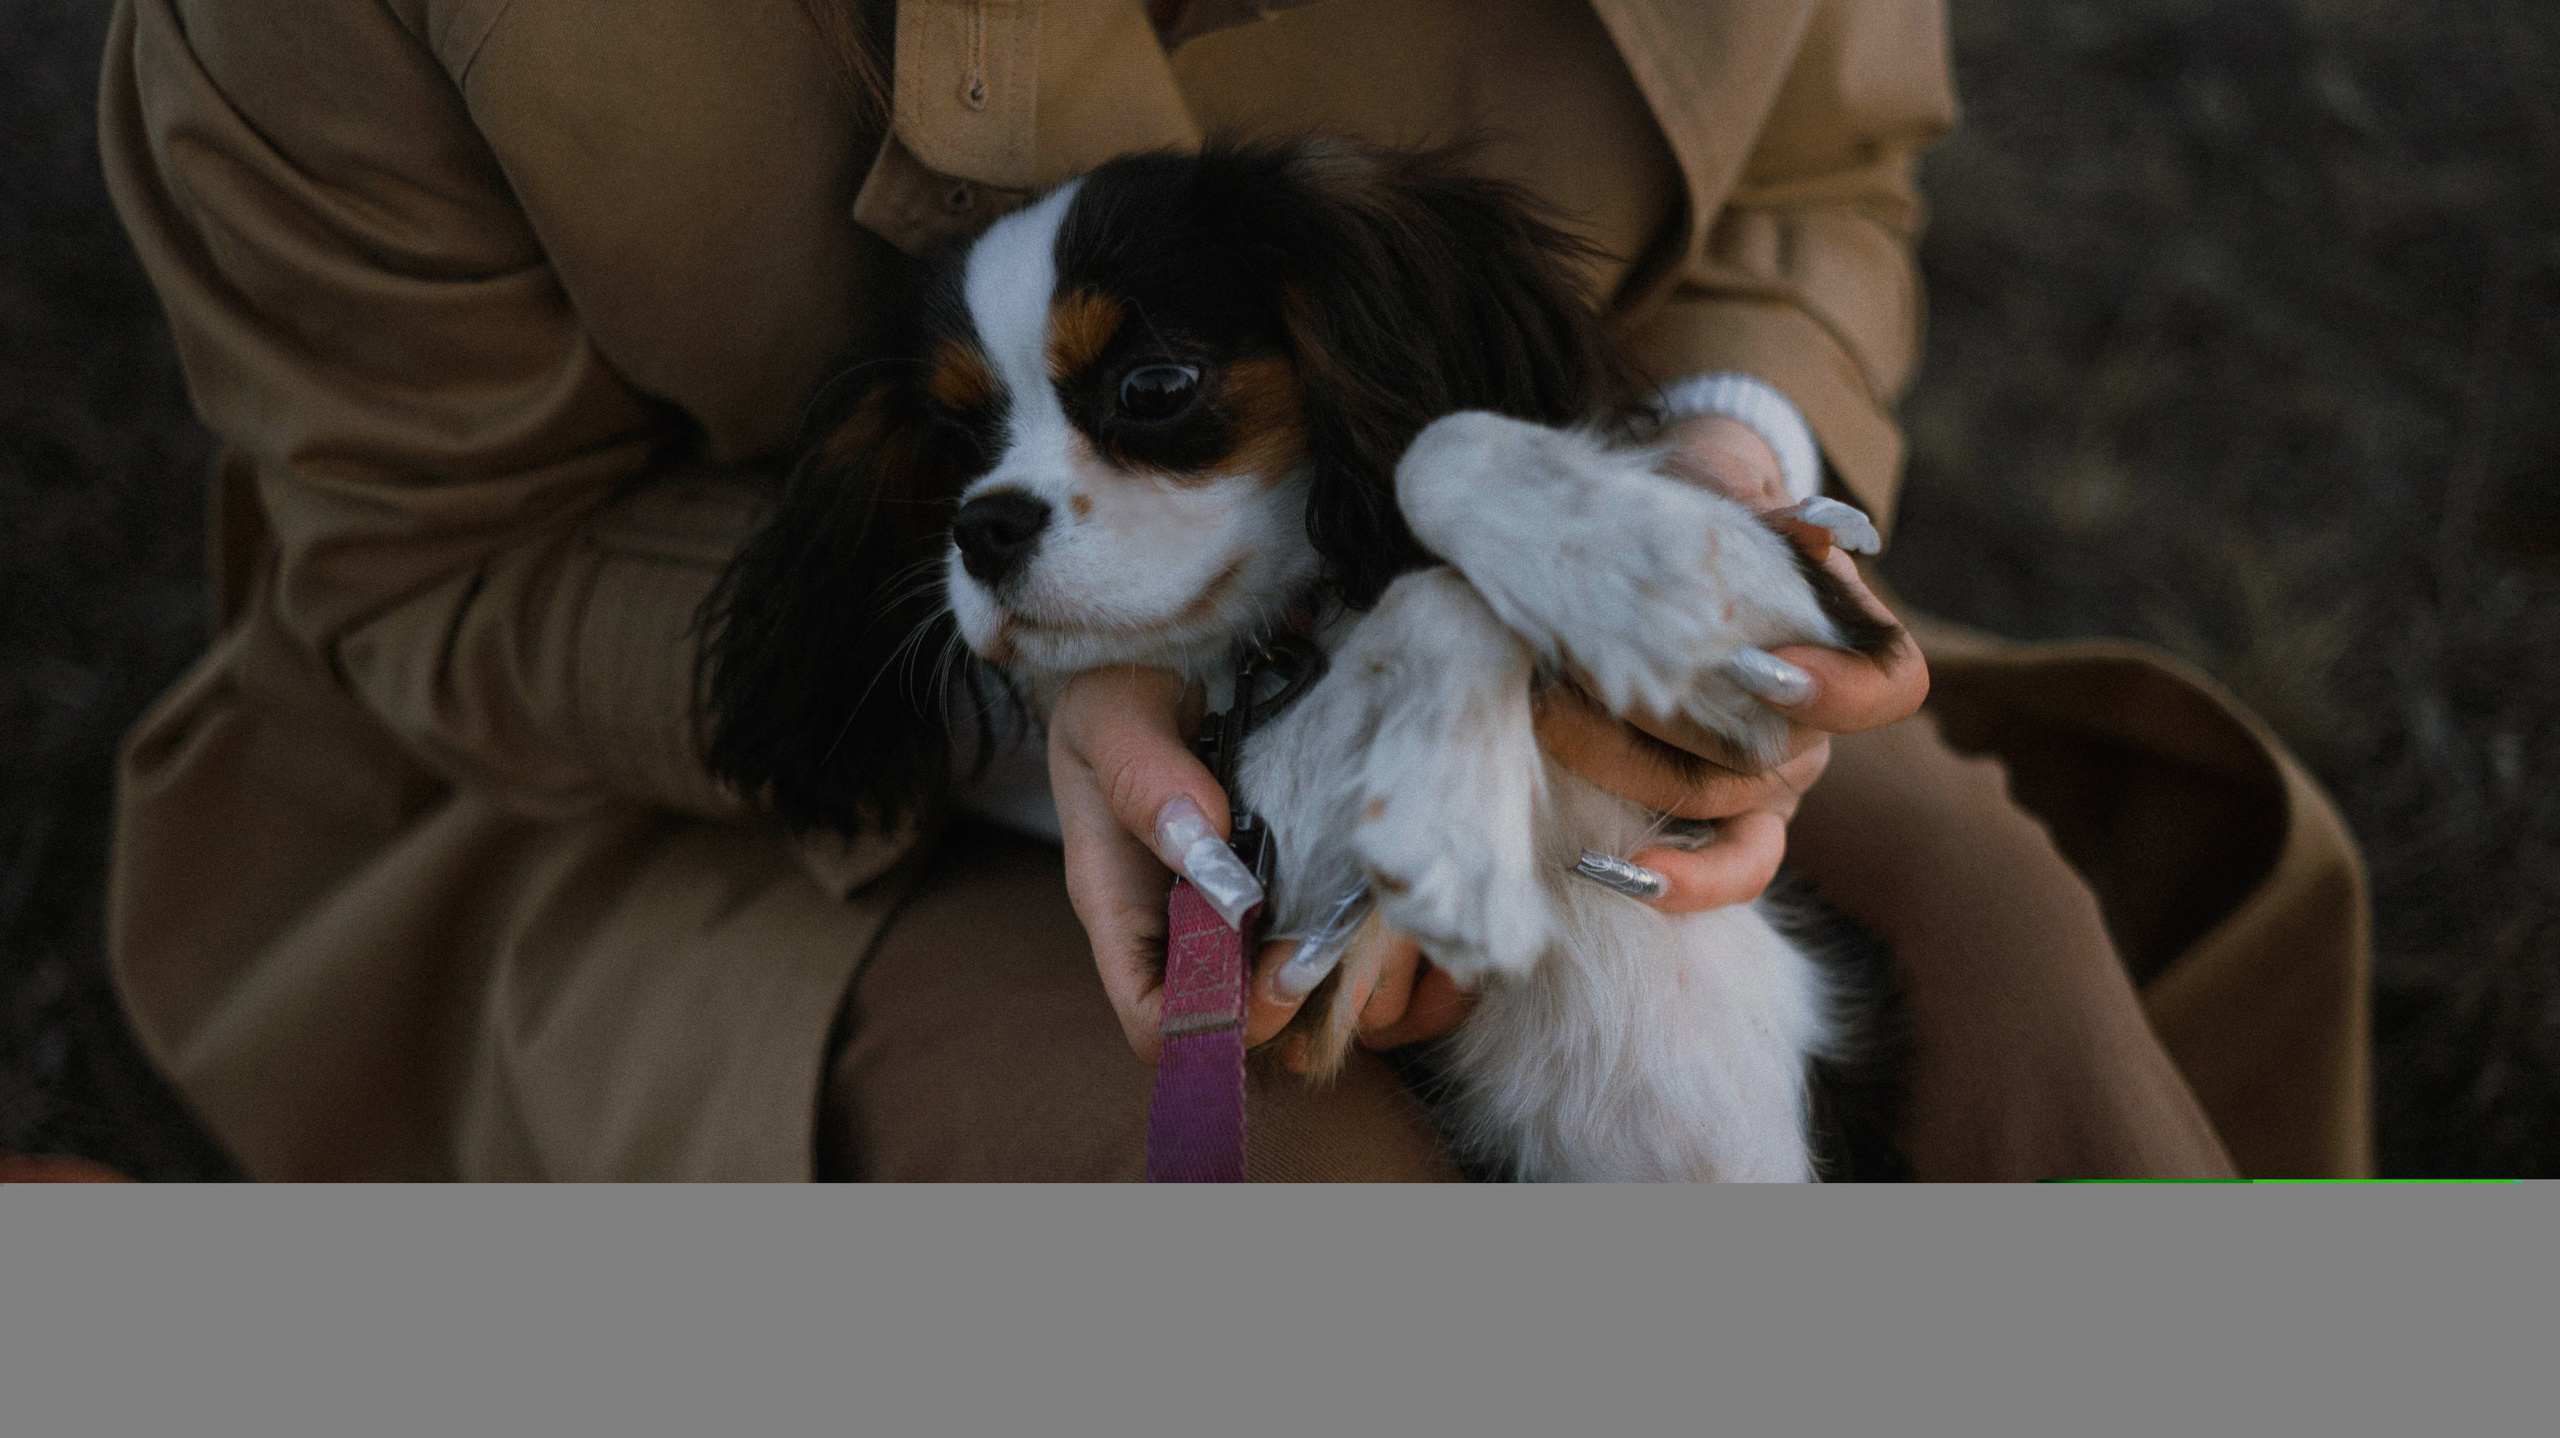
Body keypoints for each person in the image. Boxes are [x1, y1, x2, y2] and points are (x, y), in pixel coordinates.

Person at [97, 0, 2368, 1181]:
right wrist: (1041, 716)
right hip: (753, 782)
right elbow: (450, 573)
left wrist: (1694, 483)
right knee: (1305, 1217)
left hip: (1493, 549)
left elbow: (1819, 162)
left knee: (2009, 968)